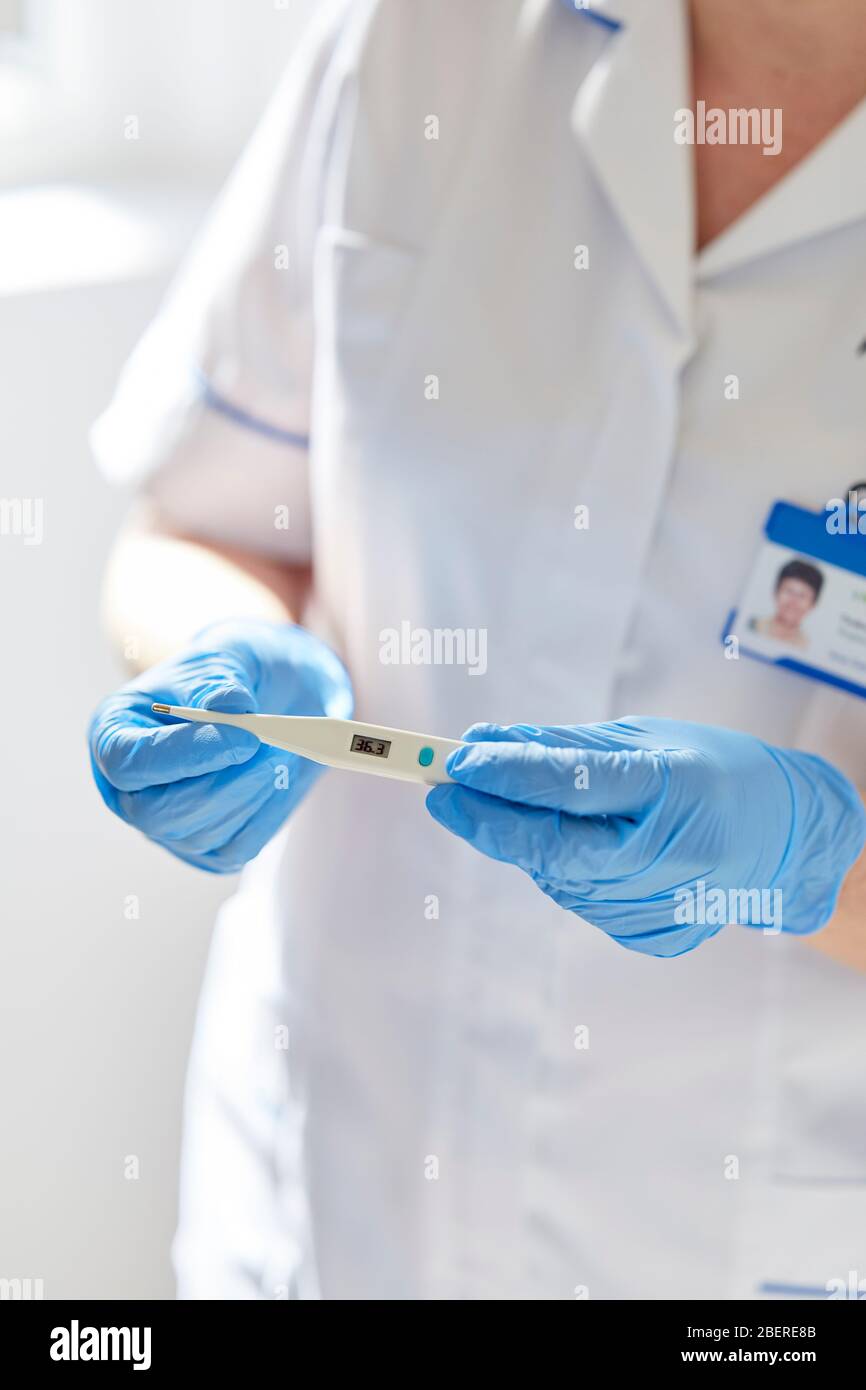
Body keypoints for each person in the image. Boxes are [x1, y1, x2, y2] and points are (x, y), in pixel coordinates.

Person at [88, 0, 866, 1300]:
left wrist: (813, 863)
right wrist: (228, 655)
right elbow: (196, 523)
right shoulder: (420, 39)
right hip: (318, 1194)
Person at [749, 558, 824, 648]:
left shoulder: (809, 647)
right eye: (789, 591)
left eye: (802, 595)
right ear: (776, 592)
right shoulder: (752, 626)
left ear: (813, 604)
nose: (793, 601)